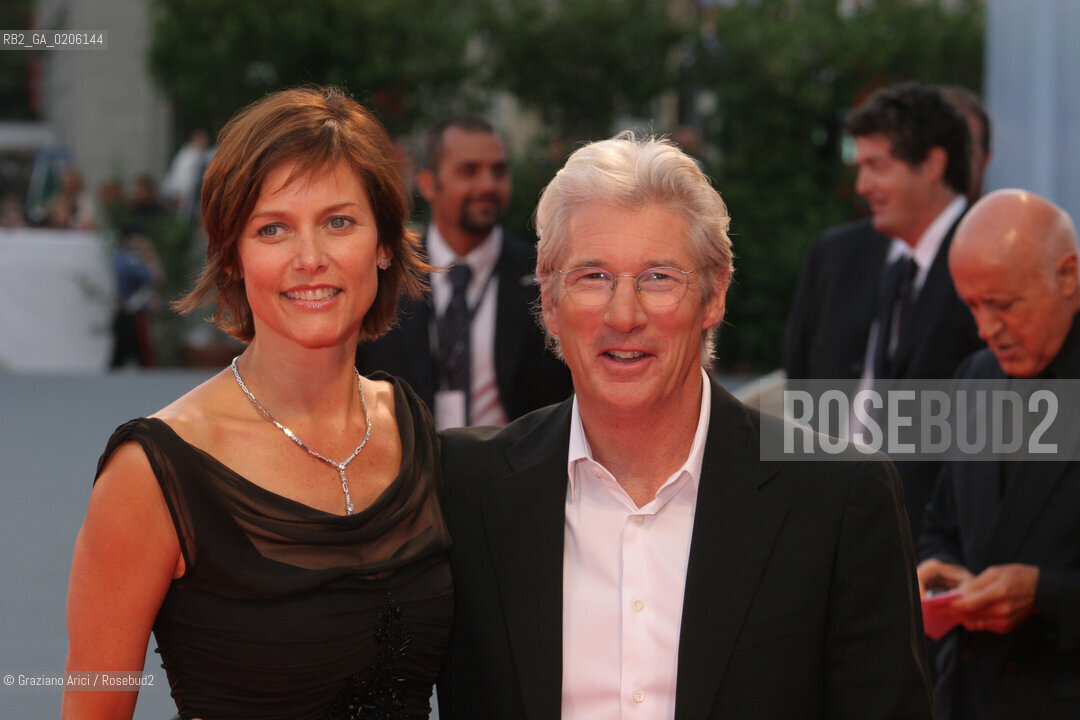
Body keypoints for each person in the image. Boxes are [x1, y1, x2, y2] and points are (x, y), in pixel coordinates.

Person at [437, 133, 933, 719]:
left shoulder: (839, 496)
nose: (624, 316)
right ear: (548, 299)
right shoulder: (464, 488)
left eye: (658, 278)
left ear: (714, 295)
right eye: (593, 277)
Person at [64, 86, 452, 720]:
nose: (309, 258)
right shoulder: (153, 473)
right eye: (273, 229)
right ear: (234, 259)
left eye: (339, 222)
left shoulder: (409, 426)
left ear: (384, 243)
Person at [783, 81, 984, 540]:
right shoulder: (856, 259)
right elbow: (802, 381)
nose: (862, 185)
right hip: (832, 525)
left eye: (877, 166)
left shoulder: (989, 260)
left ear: (932, 164)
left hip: (935, 546)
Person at [918, 189, 1080, 720]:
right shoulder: (976, 377)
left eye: (1004, 305)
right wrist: (937, 569)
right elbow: (945, 520)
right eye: (972, 306)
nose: (987, 330)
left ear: (1069, 276)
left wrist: (1045, 594)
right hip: (968, 694)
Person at [356, 118, 571, 429]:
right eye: (469, 171)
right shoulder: (387, 272)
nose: (487, 185)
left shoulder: (542, 273)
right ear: (428, 184)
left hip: (519, 468)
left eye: (498, 171)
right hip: (408, 465)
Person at [109, 228, 162, 368]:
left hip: (126, 313)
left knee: (119, 358)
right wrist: (149, 255)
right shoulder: (131, 260)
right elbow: (152, 277)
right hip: (135, 314)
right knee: (145, 357)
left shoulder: (120, 257)